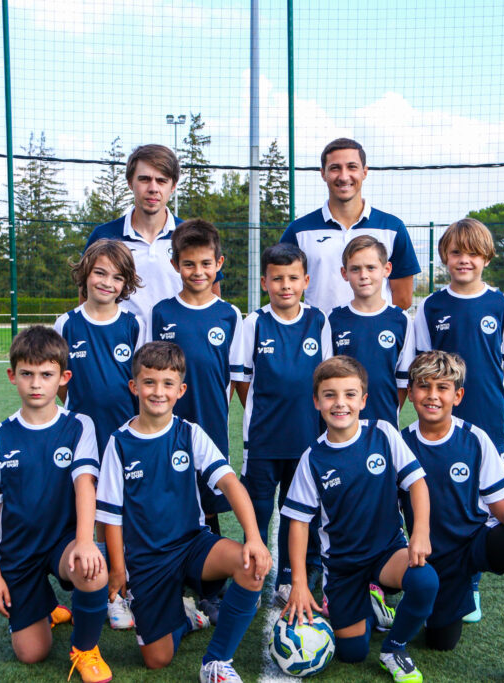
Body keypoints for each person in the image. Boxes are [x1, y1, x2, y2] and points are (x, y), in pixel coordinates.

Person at [96, 342, 271, 683]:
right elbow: (110, 516)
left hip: (192, 545)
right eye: (149, 382)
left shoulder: (189, 433)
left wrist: (253, 538)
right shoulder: (119, 444)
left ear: (181, 390)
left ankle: (217, 662)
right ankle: (185, 617)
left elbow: (231, 483)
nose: (157, 392)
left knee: (251, 565)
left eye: (167, 384)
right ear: (134, 387)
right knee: (157, 660)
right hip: (146, 561)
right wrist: (118, 570)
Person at [281, 356, 438, 683]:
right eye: (330, 395)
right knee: (352, 653)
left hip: (387, 552)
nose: (341, 403)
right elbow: (297, 522)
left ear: (363, 400)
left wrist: (419, 532)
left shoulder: (383, 434)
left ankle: (394, 648)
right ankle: (368, 602)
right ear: (316, 401)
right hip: (343, 566)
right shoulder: (313, 458)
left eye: (350, 394)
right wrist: (298, 580)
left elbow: (418, 484)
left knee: (425, 580)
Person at [0, 325, 112, 683]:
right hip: (19, 552)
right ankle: (47, 606)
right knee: (32, 654)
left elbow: (85, 486)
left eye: (46, 375)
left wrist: (83, 541)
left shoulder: (79, 426)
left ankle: (85, 649)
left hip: (62, 542)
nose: (36, 384)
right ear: (11, 376)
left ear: (63, 378)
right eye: (27, 374)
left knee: (92, 567)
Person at [401, 351, 504, 683]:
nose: (433, 395)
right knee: (441, 643)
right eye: (423, 387)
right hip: (430, 558)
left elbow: (497, 500)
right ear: (410, 393)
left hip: (473, 543)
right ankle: (432, 601)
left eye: (443, 387)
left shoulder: (475, 439)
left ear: (458, 395)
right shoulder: (400, 444)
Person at [413, 218, 504, 624]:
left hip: (489, 421)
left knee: (479, 503)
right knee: (441, 495)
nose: (464, 261)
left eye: (473, 254)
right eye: (456, 253)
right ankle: (430, 574)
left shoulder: (502, 305)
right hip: (439, 424)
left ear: (486, 258)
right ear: (444, 257)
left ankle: (471, 582)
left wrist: (501, 407)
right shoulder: (430, 306)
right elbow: (424, 367)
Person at [144, 219, 245, 621]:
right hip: (165, 426)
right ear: (175, 265)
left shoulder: (230, 315)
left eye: (206, 263)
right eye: (189, 264)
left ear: (219, 263)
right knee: (167, 498)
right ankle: (163, 578)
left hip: (210, 425)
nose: (198, 272)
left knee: (208, 507)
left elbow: (238, 377)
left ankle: (210, 588)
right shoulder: (161, 312)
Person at [235, 243, 332, 607]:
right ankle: (254, 573)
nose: (285, 285)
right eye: (277, 279)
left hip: (307, 439)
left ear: (306, 281)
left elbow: (326, 377)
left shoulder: (318, 321)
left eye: (293, 278)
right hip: (262, 441)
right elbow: (244, 382)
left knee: (298, 512)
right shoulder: (254, 323)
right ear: (265, 282)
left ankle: (293, 575)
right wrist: (265, 414)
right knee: (257, 511)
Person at [54, 238, 144, 631]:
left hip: (124, 435)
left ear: (126, 284)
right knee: (85, 515)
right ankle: (92, 591)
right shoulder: (67, 323)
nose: (107, 282)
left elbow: (141, 379)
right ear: (85, 275)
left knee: (120, 513)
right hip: (83, 438)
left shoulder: (133, 322)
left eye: (117, 277)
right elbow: (61, 382)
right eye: (100, 273)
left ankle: (121, 589)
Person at [280, 138, 420, 312]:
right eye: (335, 168)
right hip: (319, 335)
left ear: (365, 172)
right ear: (323, 173)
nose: (344, 176)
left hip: (373, 337)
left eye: (352, 167)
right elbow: (283, 287)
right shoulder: (299, 231)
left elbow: (403, 298)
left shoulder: (393, 227)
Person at [84, 144, 220, 318]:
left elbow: (212, 298)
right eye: (144, 179)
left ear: (173, 186)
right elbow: (86, 297)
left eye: (161, 181)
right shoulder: (103, 236)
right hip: (123, 343)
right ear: (130, 183)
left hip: (177, 344)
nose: (153, 188)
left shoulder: (194, 237)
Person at [329, 235, 415, 427]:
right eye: (355, 269)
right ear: (344, 273)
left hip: (384, 425)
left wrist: (389, 415)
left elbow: (402, 383)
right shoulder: (332, 319)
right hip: (341, 426)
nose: (363, 275)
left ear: (387, 269)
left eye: (371, 267)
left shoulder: (401, 320)